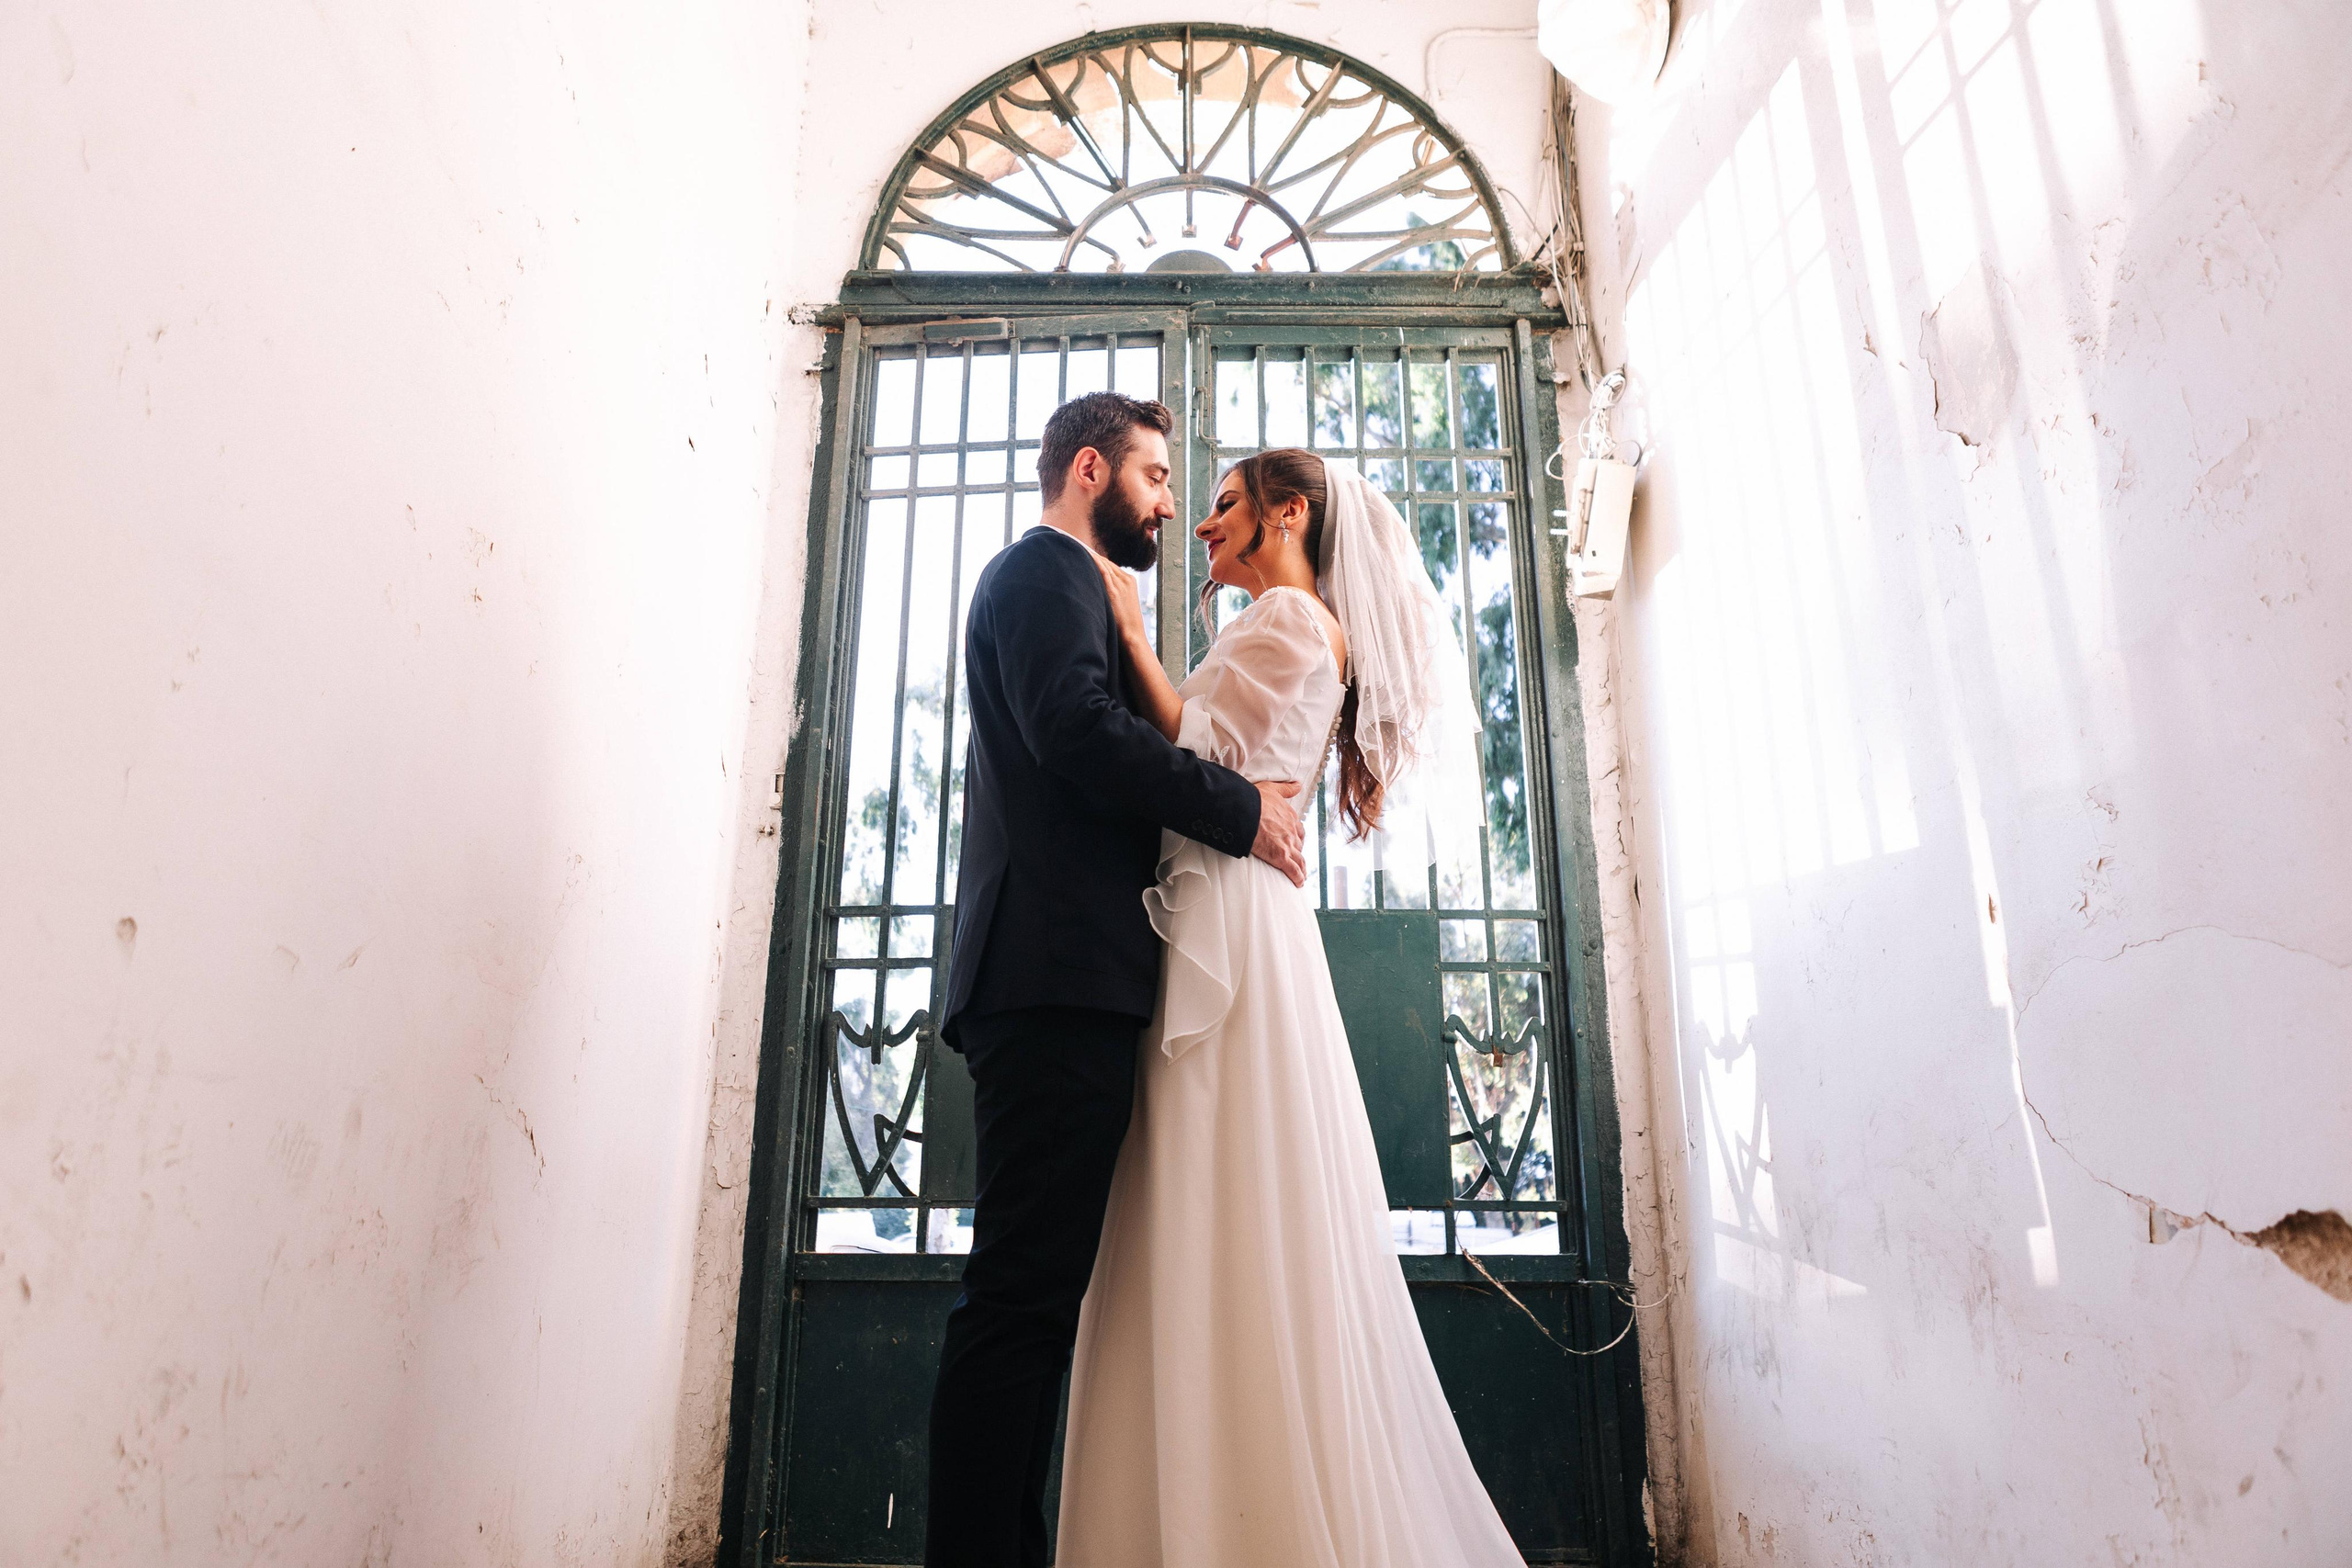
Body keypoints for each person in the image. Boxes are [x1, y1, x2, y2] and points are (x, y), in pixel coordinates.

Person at [1057, 448, 1523, 1566]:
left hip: (1224, 920)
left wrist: (1127, 641)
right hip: (1235, 909)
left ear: (1289, 514)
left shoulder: (1284, 622)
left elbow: (1184, 756)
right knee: (1226, 1194)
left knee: (1214, 1189)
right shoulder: (1293, 626)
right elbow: (1210, 763)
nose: (1203, 528)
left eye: (1221, 507)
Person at [925, 393, 1310, 1568]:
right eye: (1152, 477)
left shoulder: (1074, 586)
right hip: (1052, 983)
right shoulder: (1045, 572)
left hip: (1073, 982)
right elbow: (1077, 731)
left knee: (1034, 1308)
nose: (1167, 504)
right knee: (1021, 1308)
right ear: (1088, 470)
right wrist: (1240, 810)